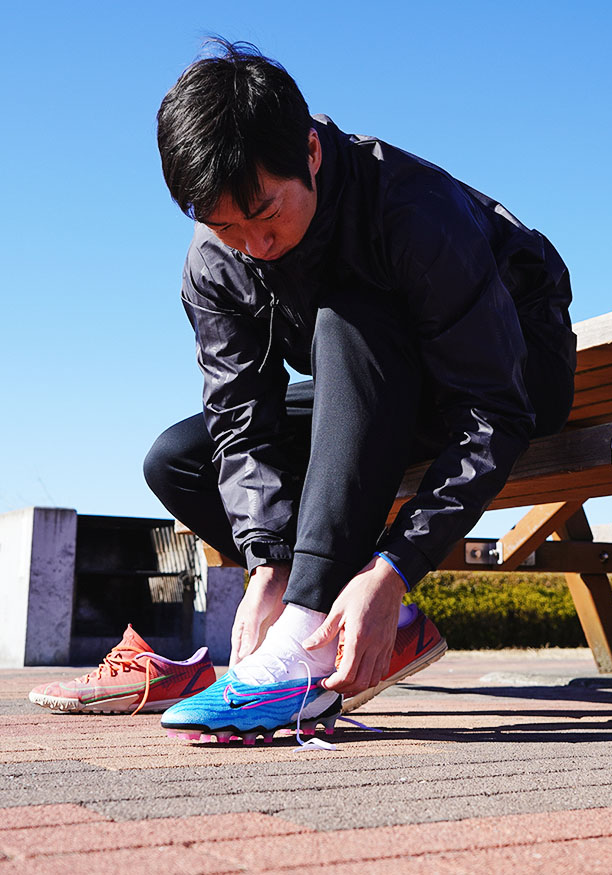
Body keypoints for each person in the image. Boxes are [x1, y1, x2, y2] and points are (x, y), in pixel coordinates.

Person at [144, 39, 576, 743]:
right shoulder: (216, 256)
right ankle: (365, 623)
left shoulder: (413, 211)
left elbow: (495, 407)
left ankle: (307, 639)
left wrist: (395, 566)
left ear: (311, 153)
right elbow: (240, 419)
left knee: (348, 315)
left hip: (508, 376)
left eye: (265, 214)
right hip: (374, 390)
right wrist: (266, 563)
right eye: (224, 225)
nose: (254, 243)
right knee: (178, 459)